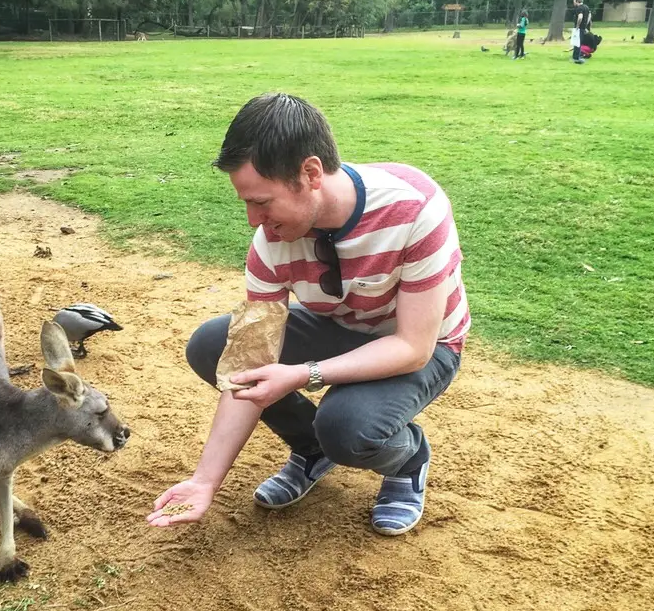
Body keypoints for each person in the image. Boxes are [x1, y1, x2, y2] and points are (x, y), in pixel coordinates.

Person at [147, 93, 469, 536]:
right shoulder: (270, 243)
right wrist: (205, 482)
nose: (252, 220)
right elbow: (248, 366)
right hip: (342, 327)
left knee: (345, 426)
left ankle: (408, 458)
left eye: (262, 202)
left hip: (423, 345)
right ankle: (311, 449)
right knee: (211, 345)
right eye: (246, 203)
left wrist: (304, 373)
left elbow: (413, 347)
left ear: (311, 173)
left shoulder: (415, 207)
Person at [571, 0, 590, 64]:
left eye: (574, 1)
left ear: (577, 1)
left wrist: (577, 26)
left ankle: (576, 58)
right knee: (579, 42)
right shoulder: (586, 7)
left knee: (577, 43)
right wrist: (585, 25)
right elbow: (589, 17)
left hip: (579, 28)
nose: (573, 3)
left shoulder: (579, 8)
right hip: (583, 28)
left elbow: (580, 17)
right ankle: (576, 57)